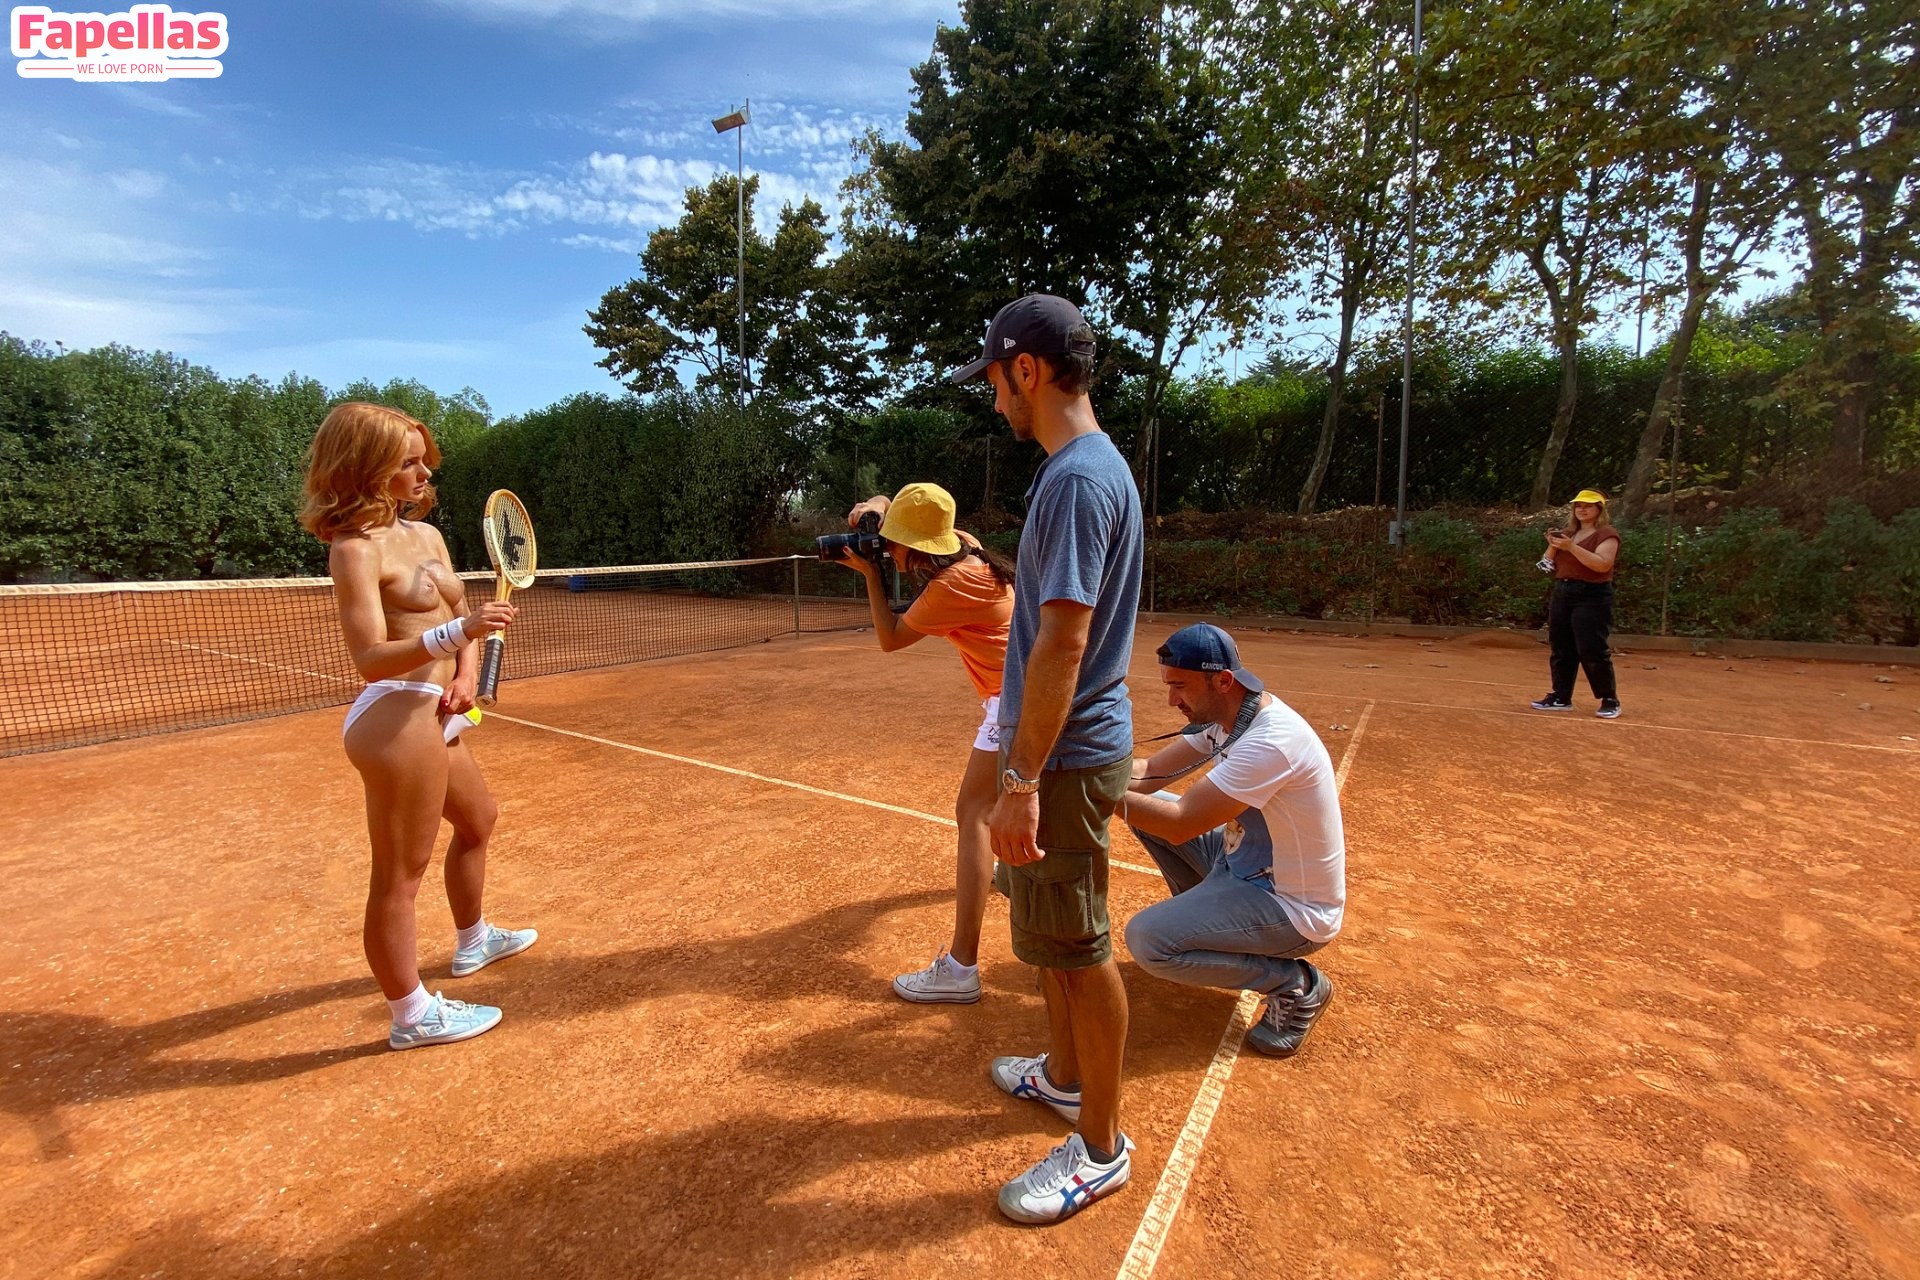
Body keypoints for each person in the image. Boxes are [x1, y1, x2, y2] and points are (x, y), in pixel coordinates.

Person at [949, 293, 1143, 1225]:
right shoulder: (1088, 470)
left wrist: (1021, 780)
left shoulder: (1074, 480)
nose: (995, 402)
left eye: (994, 381)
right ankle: (1065, 1078)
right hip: (1060, 752)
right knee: (1058, 945)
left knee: (1080, 946)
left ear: (1025, 369)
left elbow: (1064, 641)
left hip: (1060, 759)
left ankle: (1101, 1149)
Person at [300, 402, 538, 1050]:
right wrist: (459, 634)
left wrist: (465, 672)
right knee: (399, 877)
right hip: (395, 715)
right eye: (407, 462)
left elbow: (459, 614)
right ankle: (411, 1015)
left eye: (423, 459)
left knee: (478, 821)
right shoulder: (353, 550)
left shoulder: (428, 538)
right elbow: (371, 657)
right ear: (365, 468)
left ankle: (473, 940)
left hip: (437, 710)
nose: (424, 472)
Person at [1118, 624, 1344, 1058]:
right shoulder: (1229, 717)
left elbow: (1182, 824)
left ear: (1223, 681)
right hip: (1240, 863)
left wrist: (1087, 792)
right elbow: (1150, 774)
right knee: (1147, 811)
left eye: (1180, 686)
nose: (1172, 700)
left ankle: (1297, 985)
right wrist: (1086, 770)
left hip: (1292, 906)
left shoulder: (1271, 741)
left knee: (1149, 942)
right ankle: (1207, 926)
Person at [829, 481, 1016, 1004]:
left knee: (974, 815)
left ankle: (961, 969)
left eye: (892, 544)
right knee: (1019, 800)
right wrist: (874, 508)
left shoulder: (951, 586)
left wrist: (871, 575)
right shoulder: (967, 546)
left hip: (1014, 702)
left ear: (914, 545)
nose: (888, 551)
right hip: (1024, 692)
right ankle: (1012, 875)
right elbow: (900, 507)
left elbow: (890, 638)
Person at [1530, 488, 1622, 719]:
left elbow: (1602, 564)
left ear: (1599, 509)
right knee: (1561, 646)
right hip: (1564, 591)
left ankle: (1609, 699)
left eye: (1588, 505)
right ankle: (1561, 697)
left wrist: (1571, 547)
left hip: (1593, 594)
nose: (1582, 509)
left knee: (1592, 648)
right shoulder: (1569, 533)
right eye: (1578, 505)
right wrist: (1553, 545)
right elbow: (1545, 565)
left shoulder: (1607, 534)